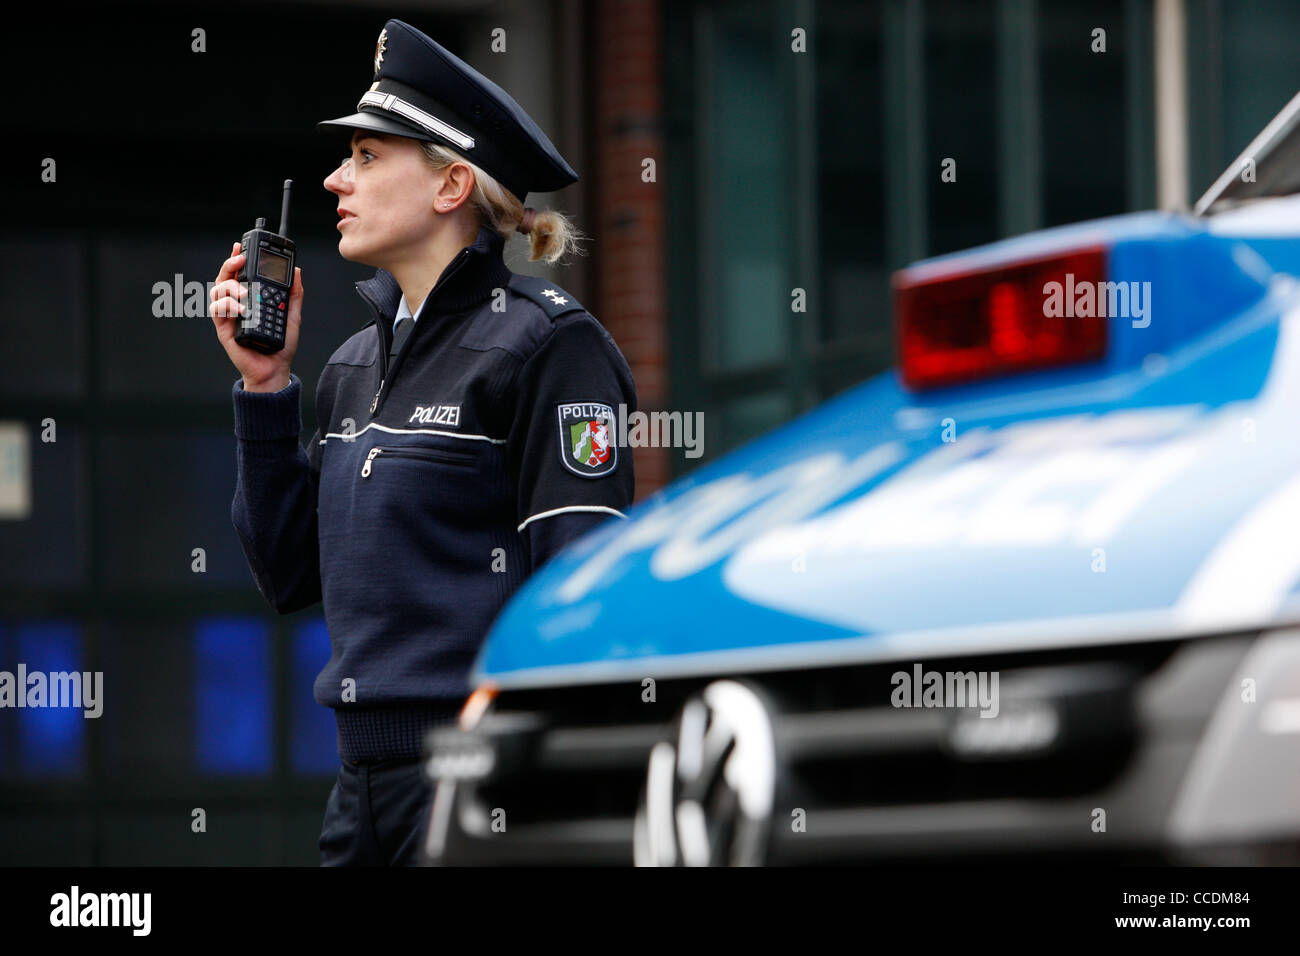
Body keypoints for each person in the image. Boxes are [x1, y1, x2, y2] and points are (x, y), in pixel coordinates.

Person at [207, 18, 636, 866]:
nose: (336, 179)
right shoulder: (350, 364)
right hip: (358, 790)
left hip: (484, 789)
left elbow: (580, 591)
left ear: (452, 188)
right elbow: (288, 574)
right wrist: (264, 387)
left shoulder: (554, 346)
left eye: (367, 157)